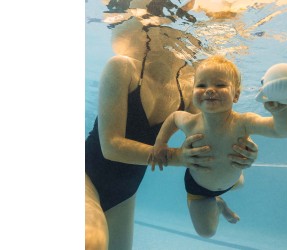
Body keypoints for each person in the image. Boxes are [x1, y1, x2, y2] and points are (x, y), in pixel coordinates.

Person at [84, 15, 259, 250]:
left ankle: (214, 198)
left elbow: (205, 148)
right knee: (91, 242)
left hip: (126, 193)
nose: (175, 43)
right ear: (147, 31)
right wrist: (179, 157)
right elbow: (111, 146)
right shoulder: (122, 67)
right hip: (87, 178)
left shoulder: (188, 90)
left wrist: (240, 152)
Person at [151, 55, 287, 238]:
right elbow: (173, 118)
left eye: (220, 85)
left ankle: (220, 197)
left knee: (240, 183)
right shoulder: (190, 122)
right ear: (193, 91)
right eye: (201, 85)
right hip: (199, 188)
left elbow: (281, 131)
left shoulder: (244, 122)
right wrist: (160, 143)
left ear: (236, 94)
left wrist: (281, 109)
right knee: (206, 232)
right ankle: (218, 204)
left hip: (232, 181)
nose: (210, 90)